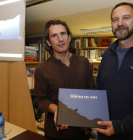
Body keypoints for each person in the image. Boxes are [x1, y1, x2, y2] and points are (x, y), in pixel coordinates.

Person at [34, 20, 96, 140]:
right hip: (56, 133)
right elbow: (41, 99)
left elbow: (91, 91)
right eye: (54, 36)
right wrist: (57, 109)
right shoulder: (41, 69)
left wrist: (89, 123)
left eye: (63, 34)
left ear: (69, 37)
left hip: (82, 131)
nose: (60, 39)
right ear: (48, 42)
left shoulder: (83, 62)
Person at [92, 2, 133, 140]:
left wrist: (119, 126)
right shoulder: (107, 55)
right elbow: (100, 90)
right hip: (104, 132)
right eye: (115, 19)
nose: (120, 23)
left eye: (126, 18)